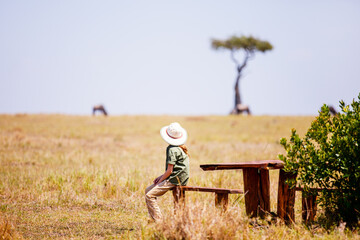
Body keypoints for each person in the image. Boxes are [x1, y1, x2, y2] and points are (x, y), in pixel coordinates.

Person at [145, 122, 190, 221]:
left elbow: (170, 171)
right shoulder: (181, 147)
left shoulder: (171, 149)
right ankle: (155, 219)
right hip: (180, 178)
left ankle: (159, 222)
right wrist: (160, 177)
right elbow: (174, 169)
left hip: (175, 180)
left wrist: (161, 180)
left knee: (149, 195)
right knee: (148, 190)